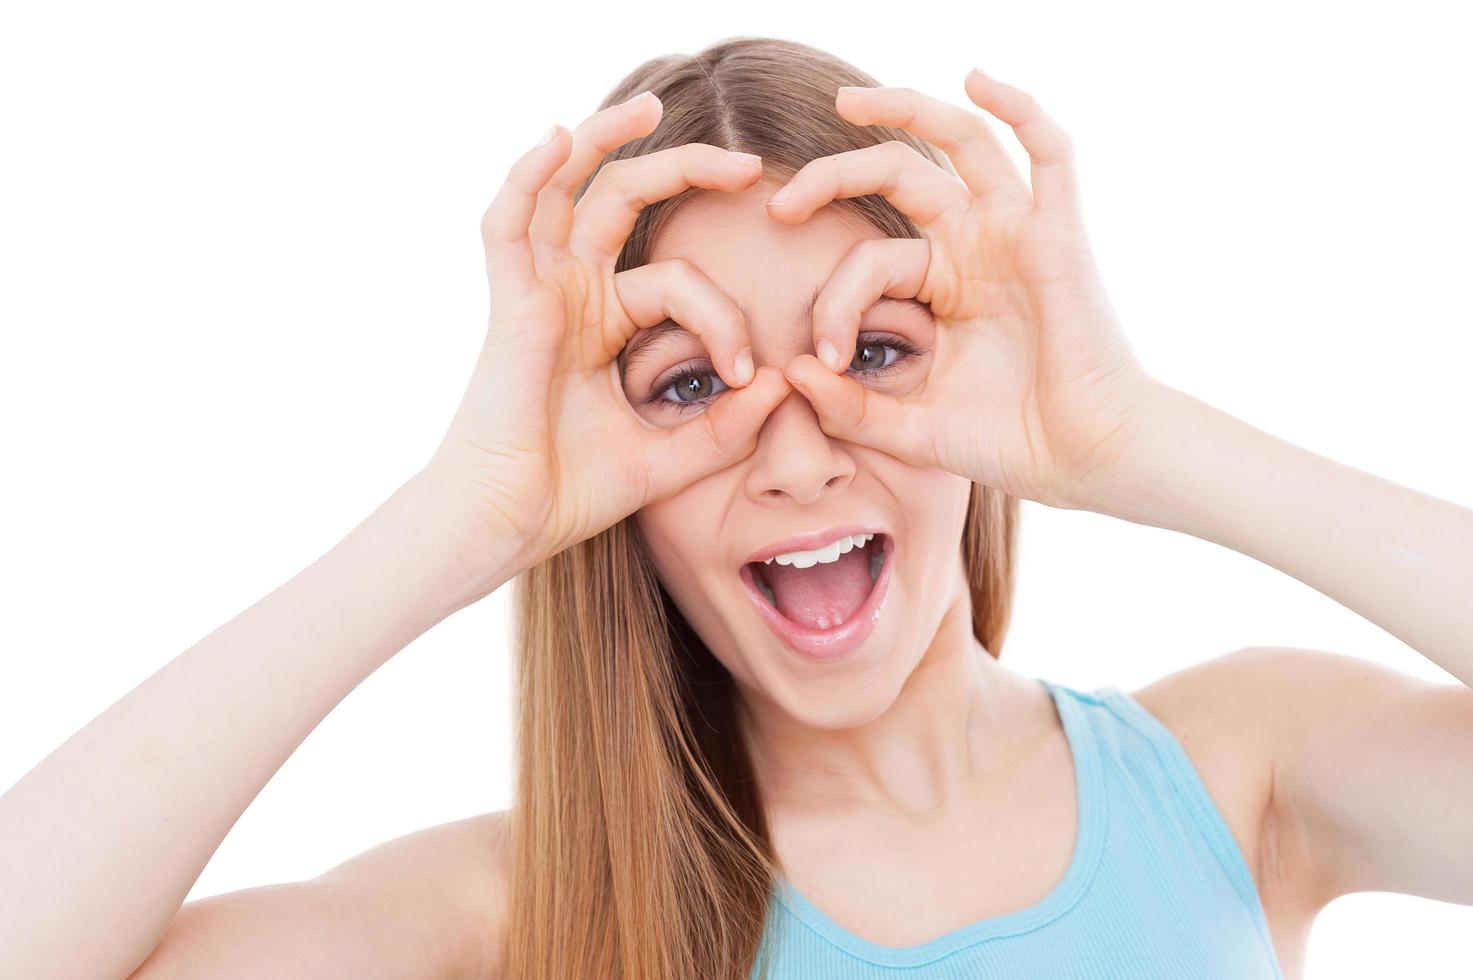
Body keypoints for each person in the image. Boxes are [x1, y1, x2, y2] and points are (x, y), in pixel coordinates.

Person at [2, 34, 1470, 980]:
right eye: (689, 385)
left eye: (873, 352)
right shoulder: (517, 918)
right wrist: (467, 516)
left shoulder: (1241, 768)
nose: (794, 454)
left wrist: (1136, 438)